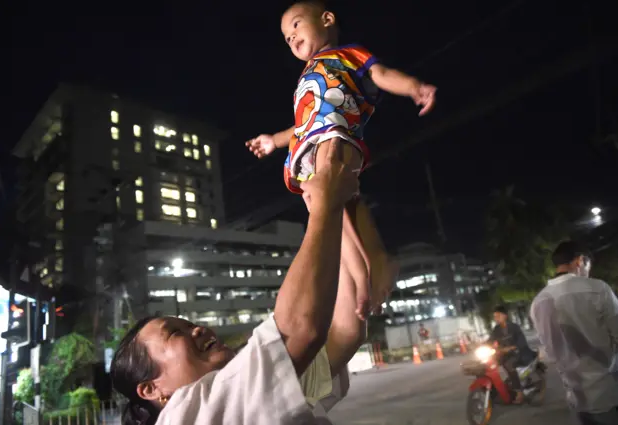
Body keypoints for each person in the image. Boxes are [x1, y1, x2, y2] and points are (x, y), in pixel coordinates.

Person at [111, 140, 377, 425]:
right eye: (175, 333)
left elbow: (345, 331)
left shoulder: (255, 389)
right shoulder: (181, 417)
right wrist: (326, 202)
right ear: (152, 389)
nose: (198, 329)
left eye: (188, 324)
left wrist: (330, 206)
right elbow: (302, 328)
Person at [246, 0, 437, 319]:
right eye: (285, 37)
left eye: (295, 25)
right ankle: (366, 275)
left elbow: (382, 73)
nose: (291, 38)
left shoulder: (347, 55)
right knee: (331, 212)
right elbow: (303, 123)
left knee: (334, 203)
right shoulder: (307, 75)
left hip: (336, 136)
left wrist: (414, 87)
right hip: (308, 146)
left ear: (327, 19)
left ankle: (372, 270)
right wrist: (273, 141)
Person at [531, 241, 618, 425]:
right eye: (588, 266)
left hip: (577, 401)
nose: (588, 273)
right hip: (614, 396)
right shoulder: (596, 289)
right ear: (580, 261)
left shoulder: (538, 303)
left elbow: (550, 351)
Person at [487, 305, 534, 404]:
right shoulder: (497, 329)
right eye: (495, 317)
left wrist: (512, 347)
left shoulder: (514, 327)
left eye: (498, 316)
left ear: (505, 316)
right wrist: (480, 346)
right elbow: (490, 340)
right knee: (487, 364)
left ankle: (519, 393)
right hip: (504, 353)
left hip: (518, 353)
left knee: (509, 364)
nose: (496, 318)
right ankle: (495, 391)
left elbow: (522, 342)